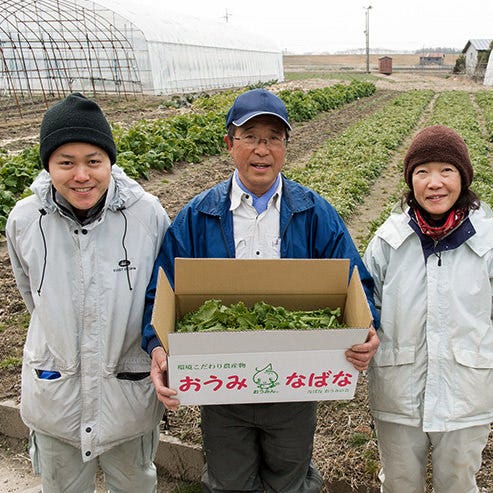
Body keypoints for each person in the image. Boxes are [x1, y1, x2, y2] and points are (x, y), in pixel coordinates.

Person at [142, 88, 380, 493]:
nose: (262, 149)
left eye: (273, 138)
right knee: (228, 481)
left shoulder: (313, 212)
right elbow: (160, 292)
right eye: (250, 136)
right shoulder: (198, 216)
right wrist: (156, 345)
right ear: (229, 144)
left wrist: (368, 328)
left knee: (290, 478)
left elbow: (356, 283)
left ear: (286, 146)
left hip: (295, 383)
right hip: (221, 384)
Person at [6, 93, 170, 492]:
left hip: (126, 395)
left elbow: (162, 296)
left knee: (133, 484)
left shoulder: (147, 215)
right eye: (66, 162)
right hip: (56, 396)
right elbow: (32, 294)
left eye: (93, 161)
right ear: (48, 165)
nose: (82, 175)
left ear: (110, 161)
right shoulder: (25, 220)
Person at [363, 125, 493, 492]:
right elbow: (365, 307)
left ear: (463, 178)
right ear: (411, 181)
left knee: (459, 481)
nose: (434, 183)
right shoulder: (389, 241)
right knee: (400, 482)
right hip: (399, 389)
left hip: (467, 389)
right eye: (423, 172)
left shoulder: (488, 241)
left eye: (446, 171)